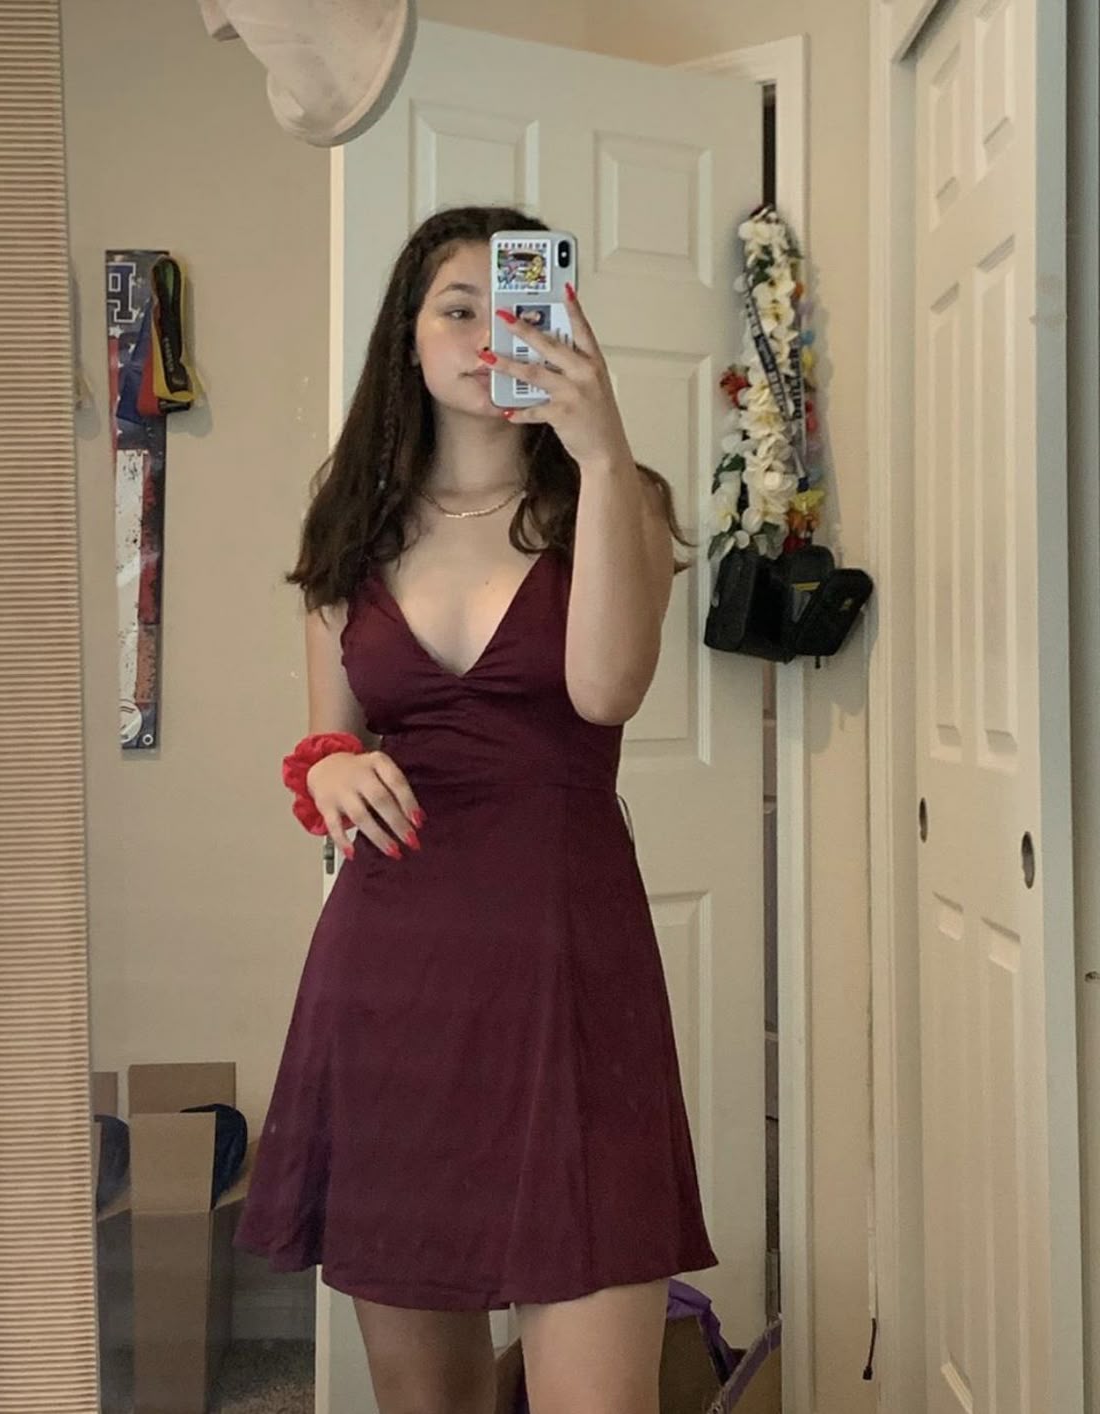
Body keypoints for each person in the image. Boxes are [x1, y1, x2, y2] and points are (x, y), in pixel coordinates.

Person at [234, 205, 717, 1414]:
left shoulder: (619, 498)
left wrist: (602, 452)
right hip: (392, 986)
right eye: (459, 308)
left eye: (517, 305)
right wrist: (323, 769)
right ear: (408, 335)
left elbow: (606, 690)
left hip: (570, 972)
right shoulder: (349, 532)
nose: (488, 331)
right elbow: (331, 739)